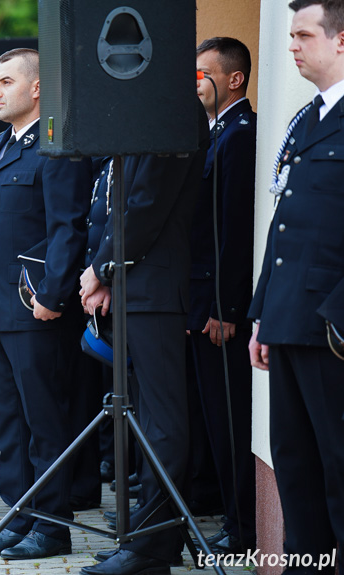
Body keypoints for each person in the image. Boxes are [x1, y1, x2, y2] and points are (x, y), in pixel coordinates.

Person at [0, 48, 94, 560]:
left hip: (34, 308)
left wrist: (54, 295)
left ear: (37, 88)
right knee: (9, 426)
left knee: (44, 422)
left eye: (7, 81)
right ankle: (19, 516)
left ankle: (52, 525)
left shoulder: (56, 144)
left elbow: (67, 228)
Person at [78, 100, 210, 575]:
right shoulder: (144, 108)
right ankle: (142, 539)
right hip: (135, 286)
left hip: (155, 287)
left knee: (162, 423)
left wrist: (101, 268)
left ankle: (154, 548)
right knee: (146, 419)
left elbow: (147, 203)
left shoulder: (174, 110)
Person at [249, 1, 344, 571]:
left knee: (338, 466)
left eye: (304, 34)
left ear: (341, 41)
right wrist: (264, 314)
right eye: (290, 35)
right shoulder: (306, 120)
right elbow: (282, 229)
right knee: (295, 464)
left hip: (332, 331)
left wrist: (339, 319)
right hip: (288, 322)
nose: (292, 46)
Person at [190, 36, 257, 553]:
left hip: (221, 309)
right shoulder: (213, 133)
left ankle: (243, 527)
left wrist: (224, 308)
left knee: (231, 421)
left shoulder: (239, 136)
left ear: (233, 79)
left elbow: (236, 231)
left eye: (202, 73)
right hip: (202, 302)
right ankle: (227, 513)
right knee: (212, 417)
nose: (195, 83)